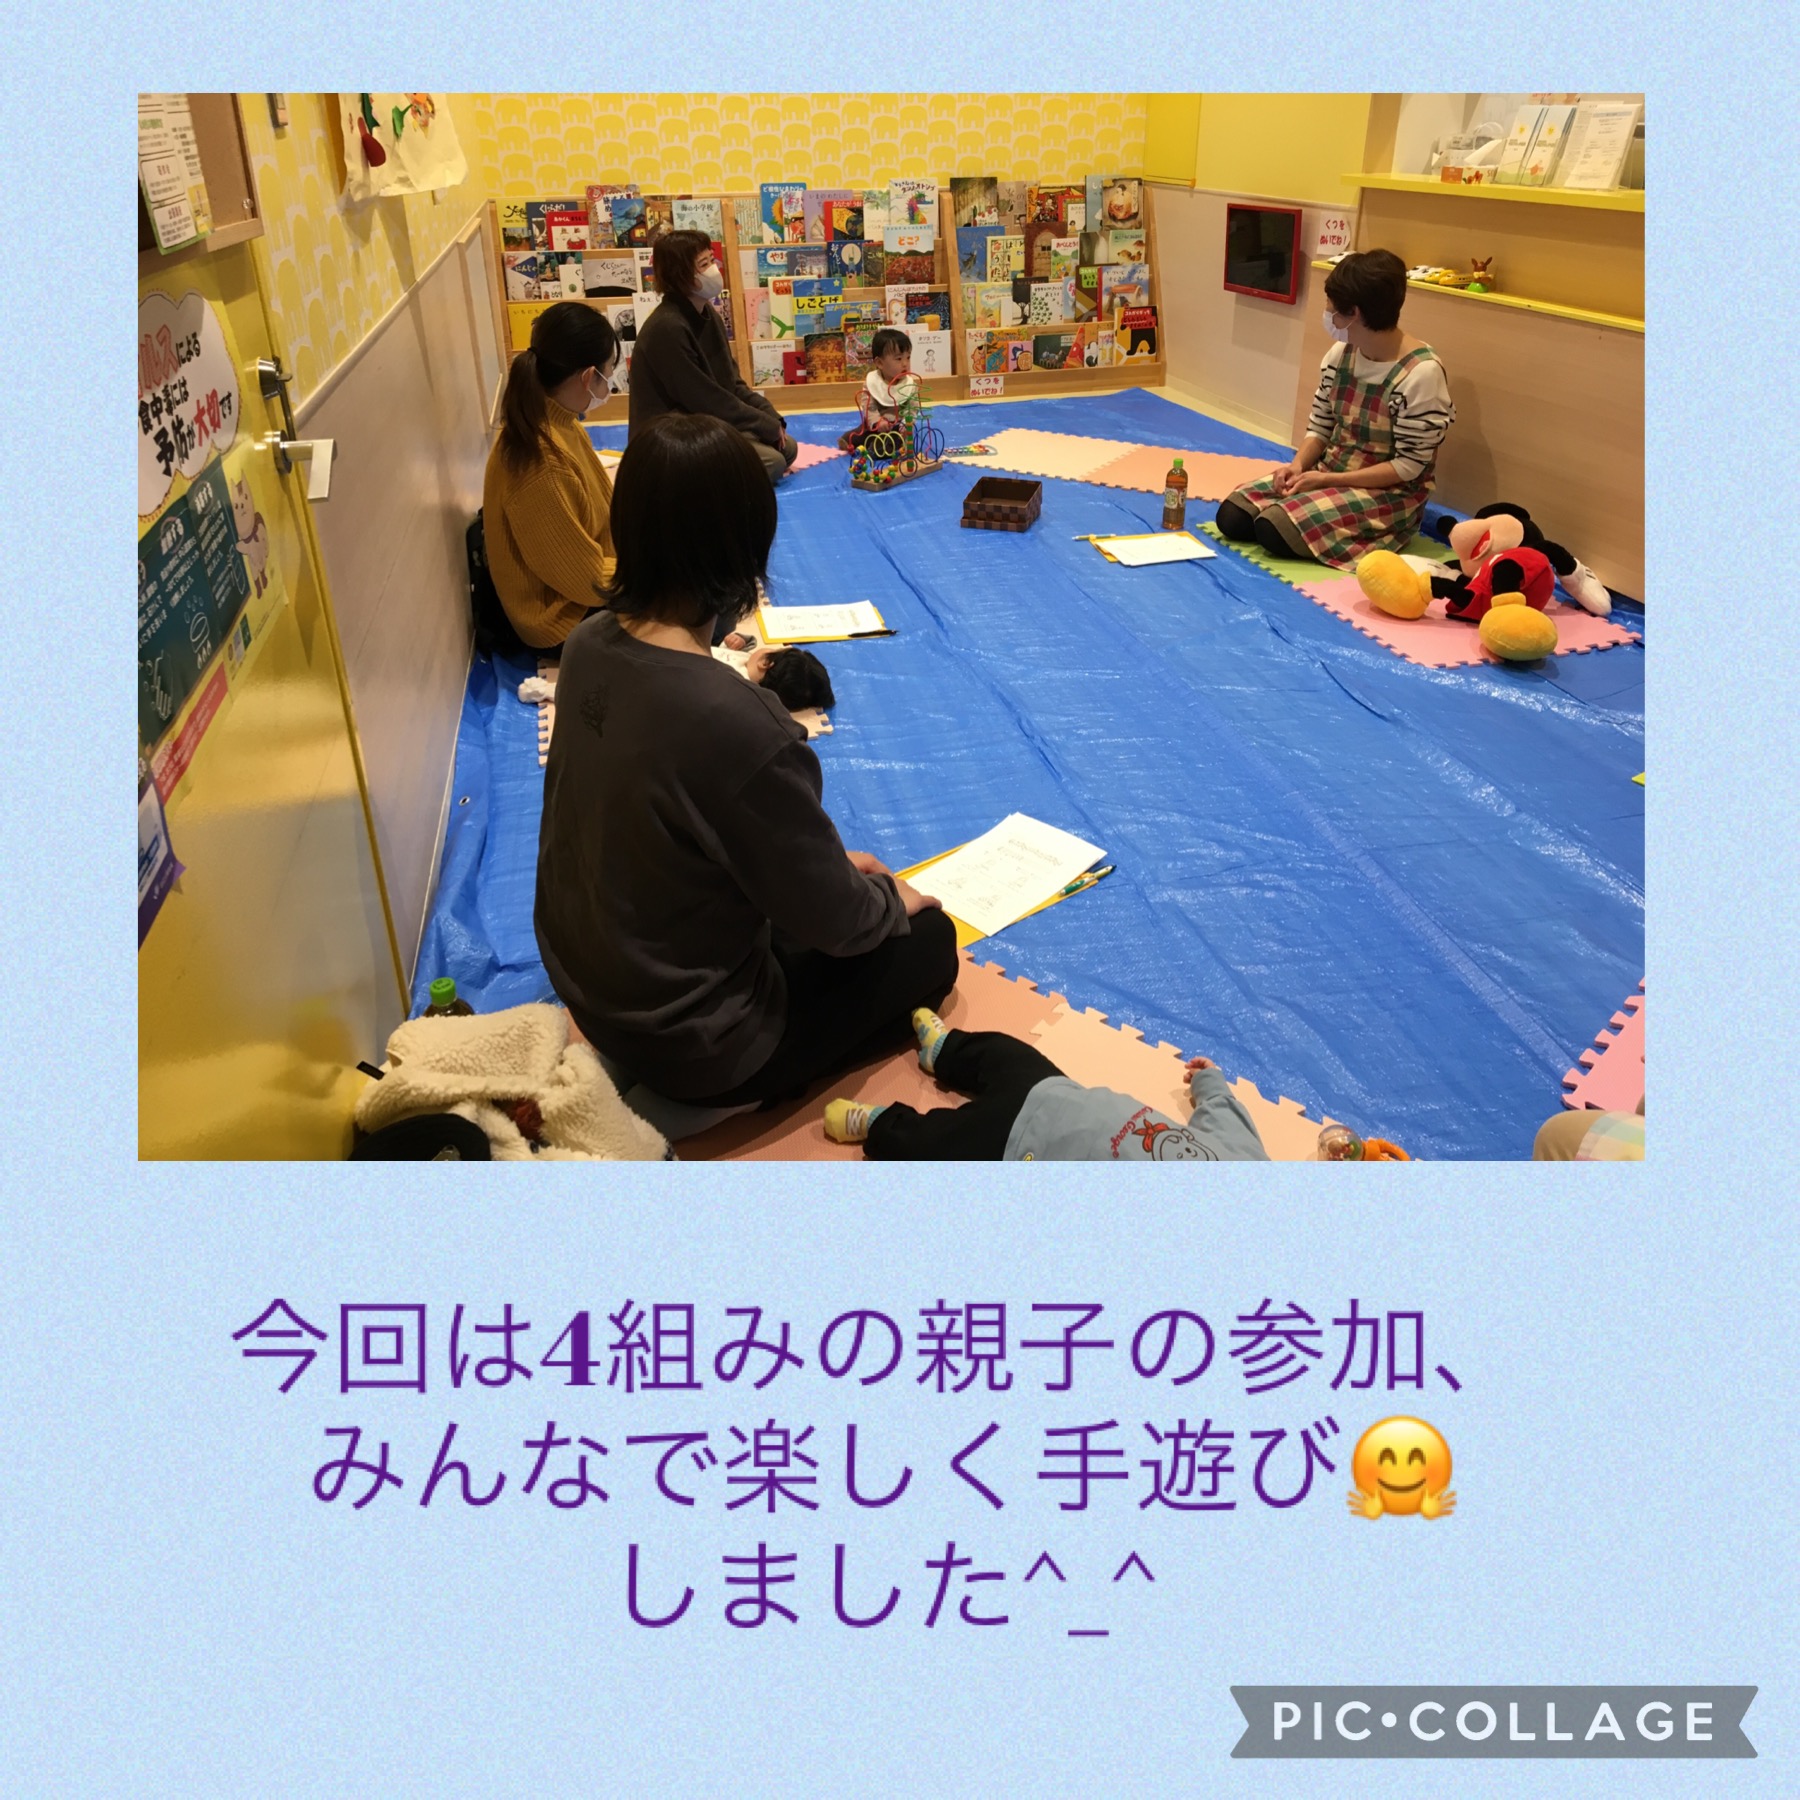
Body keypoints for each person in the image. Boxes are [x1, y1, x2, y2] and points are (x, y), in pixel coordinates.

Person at [535, 413, 959, 1106]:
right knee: (931, 940)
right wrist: (888, 901)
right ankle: (709, 1109)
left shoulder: (585, 643)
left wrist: (831, 871)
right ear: (744, 546)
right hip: (695, 1042)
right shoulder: (737, 721)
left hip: (588, 989)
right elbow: (835, 920)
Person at [1215, 249, 1455, 568]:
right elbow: (1320, 424)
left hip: (1388, 493)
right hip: (1330, 471)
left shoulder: (1421, 373)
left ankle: (1374, 533)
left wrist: (1325, 482)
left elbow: (1408, 467)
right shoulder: (1340, 354)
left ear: (1353, 313)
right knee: (1234, 516)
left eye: (1331, 308)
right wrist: (1298, 466)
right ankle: (1305, 505)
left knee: (1274, 529)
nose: (1328, 315)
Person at [823, 1009, 1270, 1162]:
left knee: (930, 1144)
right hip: (1056, 1092)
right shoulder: (1250, 1165)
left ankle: (877, 1123)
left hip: (1020, 1147)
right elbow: (1226, 1116)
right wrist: (1210, 1081)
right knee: (1002, 1052)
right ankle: (944, 1050)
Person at [480, 301, 620, 650]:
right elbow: (587, 581)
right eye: (609, 374)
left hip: (587, 586)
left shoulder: (560, 423)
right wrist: (653, 575)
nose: (610, 387)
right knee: (698, 600)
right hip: (561, 619)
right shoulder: (541, 461)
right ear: (588, 377)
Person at [628, 228, 799, 484]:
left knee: (788, 449)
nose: (714, 270)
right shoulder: (667, 328)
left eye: (712, 260)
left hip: (702, 423)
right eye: (704, 264)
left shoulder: (709, 316)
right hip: (670, 437)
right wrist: (762, 424)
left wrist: (771, 416)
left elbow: (732, 383)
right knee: (771, 463)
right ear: (680, 274)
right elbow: (706, 399)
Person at [838, 327, 919, 453]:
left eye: (908, 357)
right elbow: (868, 406)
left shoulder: (909, 384)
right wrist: (877, 421)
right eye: (899, 359)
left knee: (892, 442)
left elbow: (912, 408)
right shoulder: (872, 382)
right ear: (880, 363)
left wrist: (907, 423)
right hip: (876, 423)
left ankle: (876, 447)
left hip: (897, 426)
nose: (905, 364)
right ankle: (850, 439)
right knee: (861, 432)